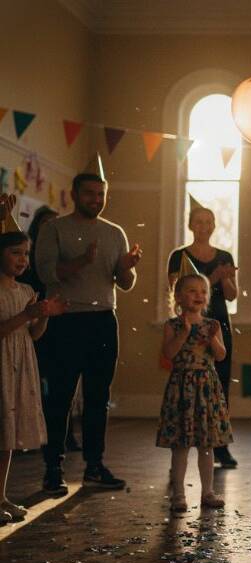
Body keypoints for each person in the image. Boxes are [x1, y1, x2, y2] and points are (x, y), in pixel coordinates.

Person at [36, 155, 142, 495]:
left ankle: (94, 466)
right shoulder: (54, 229)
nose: (95, 199)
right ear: (74, 194)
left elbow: (124, 283)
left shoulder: (115, 233)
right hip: (65, 321)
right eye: (89, 194)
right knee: (61, 397)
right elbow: (46, 273)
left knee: (98, 398)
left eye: (100, 194)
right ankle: (53, 469)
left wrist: (127, 266)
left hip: (103, 322)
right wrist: (82, 260)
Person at [0, 199, 66, 524]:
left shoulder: (27, 289)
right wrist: (26, 314)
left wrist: (43, 316)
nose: (23, 260)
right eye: (15, 253)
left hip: (18, 366)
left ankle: (1, 497)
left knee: (7, 436)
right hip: (1, 364)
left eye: (25, 254)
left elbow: (34, 335)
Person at [167, 199, 238, 468]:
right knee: (187, 384)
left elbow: (231, 295)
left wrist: (226, 277)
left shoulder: (225, 256)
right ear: (190, 225)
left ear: (214, 226)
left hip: (218, 323)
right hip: (189, 325)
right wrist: (213, 276)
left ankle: (220, 445)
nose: (204, 226)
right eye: (199, 221)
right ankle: (183, 441)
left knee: (219, 385)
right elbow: (175, 289)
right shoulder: (179, 256)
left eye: (208, 222)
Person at [158, 271, 231, 512]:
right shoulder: (172, 325)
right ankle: (178, 494)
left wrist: (213, 340)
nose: (198, 295)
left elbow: (221, 356)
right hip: (182, 389)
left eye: (203, 291)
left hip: (206, 388)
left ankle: (207, 492)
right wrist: (184, 334)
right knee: (180, 445)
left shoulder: (213, 325)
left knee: (206, 444)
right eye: (191, 291)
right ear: (178, 297)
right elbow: (169, 354)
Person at [18, 206, 81, 453]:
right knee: (37, 382)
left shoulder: (64, 256)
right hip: (34, 324)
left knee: (62, 384)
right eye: (46, 224)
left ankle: (63, 436)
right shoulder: (28, 262)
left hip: (62, 324)